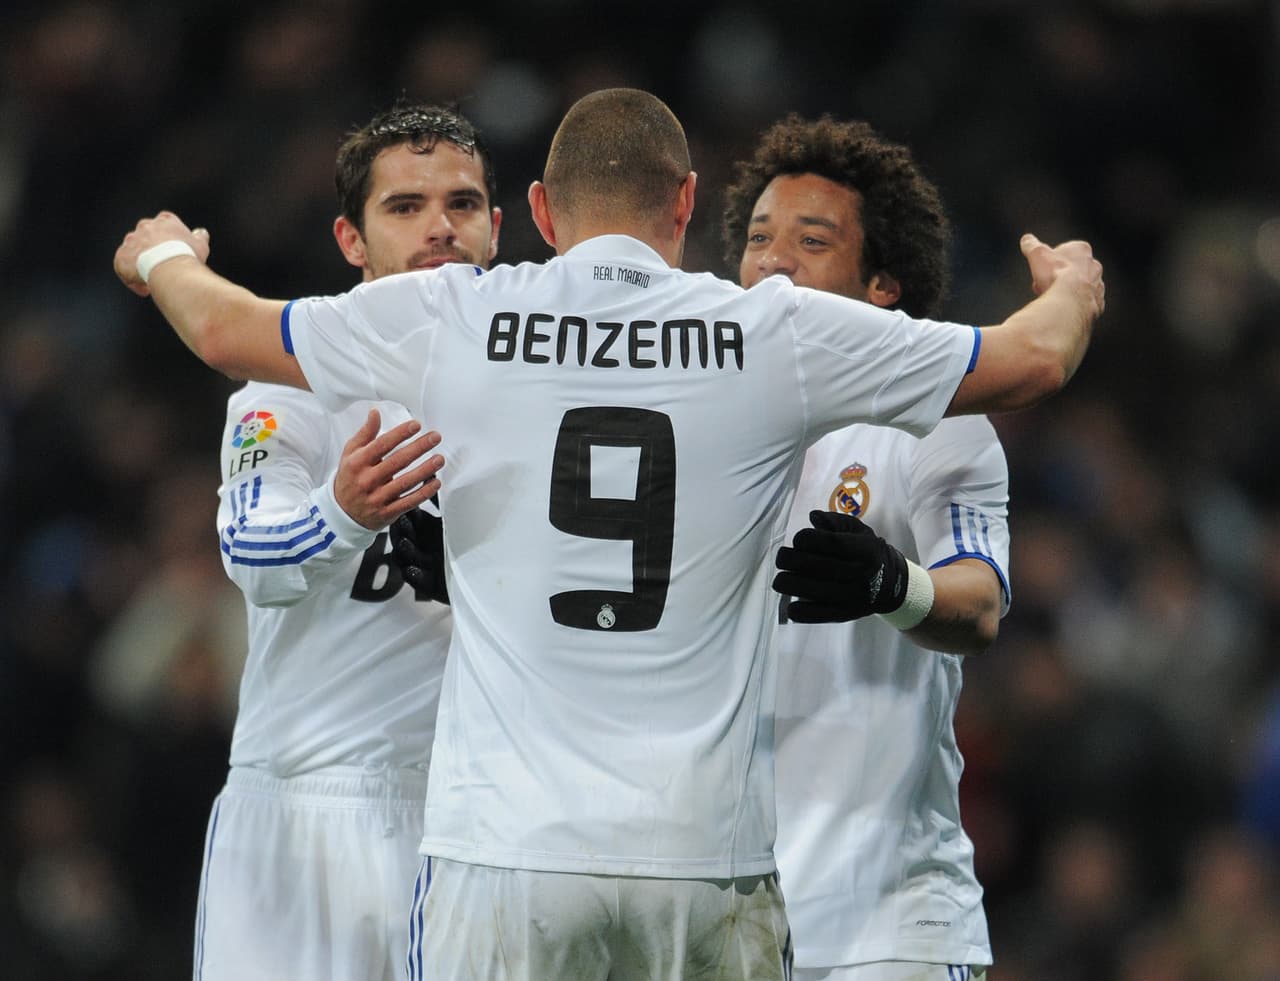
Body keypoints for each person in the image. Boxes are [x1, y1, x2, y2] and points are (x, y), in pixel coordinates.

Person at [113, 87, 1103, 980]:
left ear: (536, 215)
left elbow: (223, 328)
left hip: (505, 851)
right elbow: (1032, 362)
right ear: (685, 204)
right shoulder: (772, 333)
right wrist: (1072, 285)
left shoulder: (455, 316)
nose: (438, 232)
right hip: (703, 855)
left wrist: (163, 256)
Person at [193, 103, 500, 981]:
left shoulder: (534, 391)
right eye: (405, 206)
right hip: (300, 805)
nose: (440, 226)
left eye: (462, 203)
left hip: (472, 817)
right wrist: (343, 510)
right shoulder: (287, 388)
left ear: (498, 226)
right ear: (351, 240)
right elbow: (253, 553)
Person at [723, 114, 1006, 981]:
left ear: (883, 285)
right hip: (721, 927)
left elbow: (979, 607)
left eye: (811, 241)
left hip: (887, 929)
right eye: (758, 237)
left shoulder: (937, 425)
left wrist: (894, 584)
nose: (773, 261)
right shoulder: (699, 425)